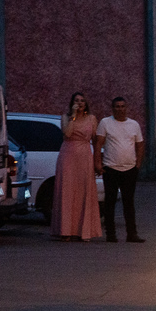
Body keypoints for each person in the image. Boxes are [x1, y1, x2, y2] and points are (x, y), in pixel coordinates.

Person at [52, 91, 102, 241]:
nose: (79, 103)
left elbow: (95, 140)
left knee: (84, 191)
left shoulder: (92, 119)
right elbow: (67, 134)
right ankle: (65, 231)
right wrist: (73, 116)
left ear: (86, 104)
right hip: (68, 156)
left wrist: (97, 161)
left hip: (85, 155)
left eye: (82, 101)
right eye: (76, 100)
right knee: (67, 191)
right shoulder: (65, 117)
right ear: (72, 103)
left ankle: (84, 231)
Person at [96, 96, 145, 243]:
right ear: (112, 109)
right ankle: (111, 234)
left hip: (130, 169)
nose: (120, 109)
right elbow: (98, 144)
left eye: (122, 106)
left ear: (126, 108)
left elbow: (140, 145)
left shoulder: (134, 124)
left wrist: (138, 165)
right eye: (117, 106)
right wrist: (98, 164)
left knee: (128, 202)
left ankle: (132, 234)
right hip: (110, 168)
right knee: (110, 202)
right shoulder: (105, 123)